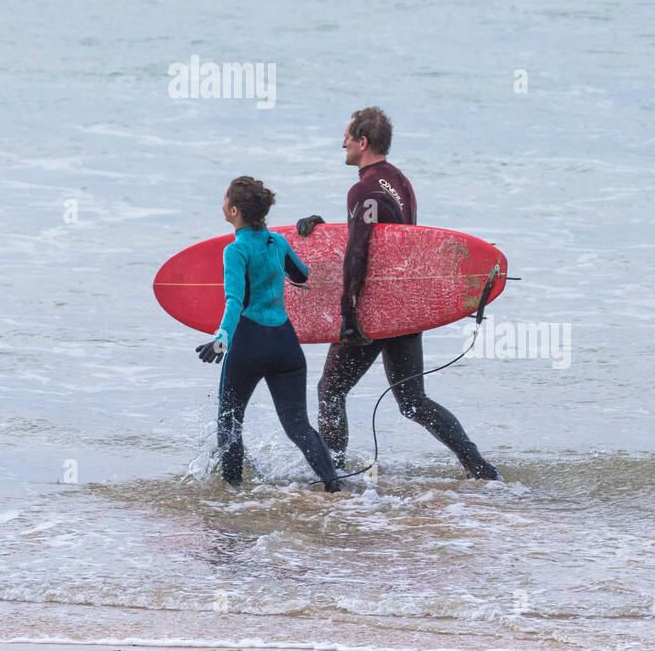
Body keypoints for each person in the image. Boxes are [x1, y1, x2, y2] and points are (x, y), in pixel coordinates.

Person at [297, 108, 501, 480]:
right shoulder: (400, 182)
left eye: (346, 137)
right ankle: (481, 469)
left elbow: (359, 252)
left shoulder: (363, 188)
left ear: (363, 142)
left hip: (373, 311)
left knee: (330, 390)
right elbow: (386, 239)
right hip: (405, 306)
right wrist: (326, 232)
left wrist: (349, 315)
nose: (341, 143)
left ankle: (332, 476)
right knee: (412, 401)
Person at [197, 175, 341, 492]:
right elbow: (301, 274)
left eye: (224, 199)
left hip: (249, 343)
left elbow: (235, 301)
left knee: (230, 421)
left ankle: (232, 493)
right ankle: (334, 486)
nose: (221, 203)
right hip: (285, 345)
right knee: (298, 426)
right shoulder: (278, 242)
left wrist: (221, 339)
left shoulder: (235, 251)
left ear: (234, 211)